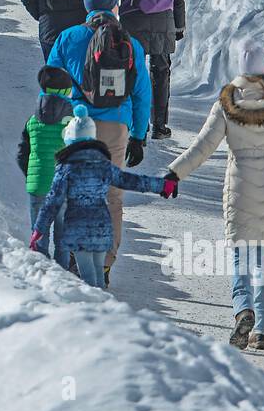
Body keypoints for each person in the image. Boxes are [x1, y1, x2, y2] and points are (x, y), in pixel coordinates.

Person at [164, 42, 264, 351]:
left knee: (241, 258)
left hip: (239, 190)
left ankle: (243, 310)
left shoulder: (227, 103)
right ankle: (263, 331)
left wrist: (175, 172)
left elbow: (203, 146)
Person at [46, 0, 152, 286]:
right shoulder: (130, 43)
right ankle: (104, 263)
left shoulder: (68, 38)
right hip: (116, 126)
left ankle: (72, 257)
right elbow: (142, 93)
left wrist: (52, 122)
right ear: (114, 6)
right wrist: (138, 135)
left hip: (78, 125)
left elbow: (51, 83)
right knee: (111, 197)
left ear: (87, 7)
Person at [31, 104, 168, 288]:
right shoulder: (103, 165)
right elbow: (131, 180)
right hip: (103, 230)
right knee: (97, 272)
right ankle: (102, 303)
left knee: (87, 276)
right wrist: (161, 185)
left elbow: (51, 203)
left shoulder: (65, 169)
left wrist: (38, 230)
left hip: (79, 233)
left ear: (69, 140)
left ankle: (98, 309)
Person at [105, 0, 186, 141]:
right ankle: (160, 126)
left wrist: (109, 23)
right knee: (160, 71)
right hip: (163, 20)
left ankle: (136, 124)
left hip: (132, 21)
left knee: (133, 72)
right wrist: (179, 25)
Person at [16, 66, 75, 268]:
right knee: (63, 239)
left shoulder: (32, 121)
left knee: (38, 235)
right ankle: (63, 277)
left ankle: (41, 275)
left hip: (38, 185)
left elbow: (21, 154)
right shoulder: (74, 122)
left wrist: (32, 175)